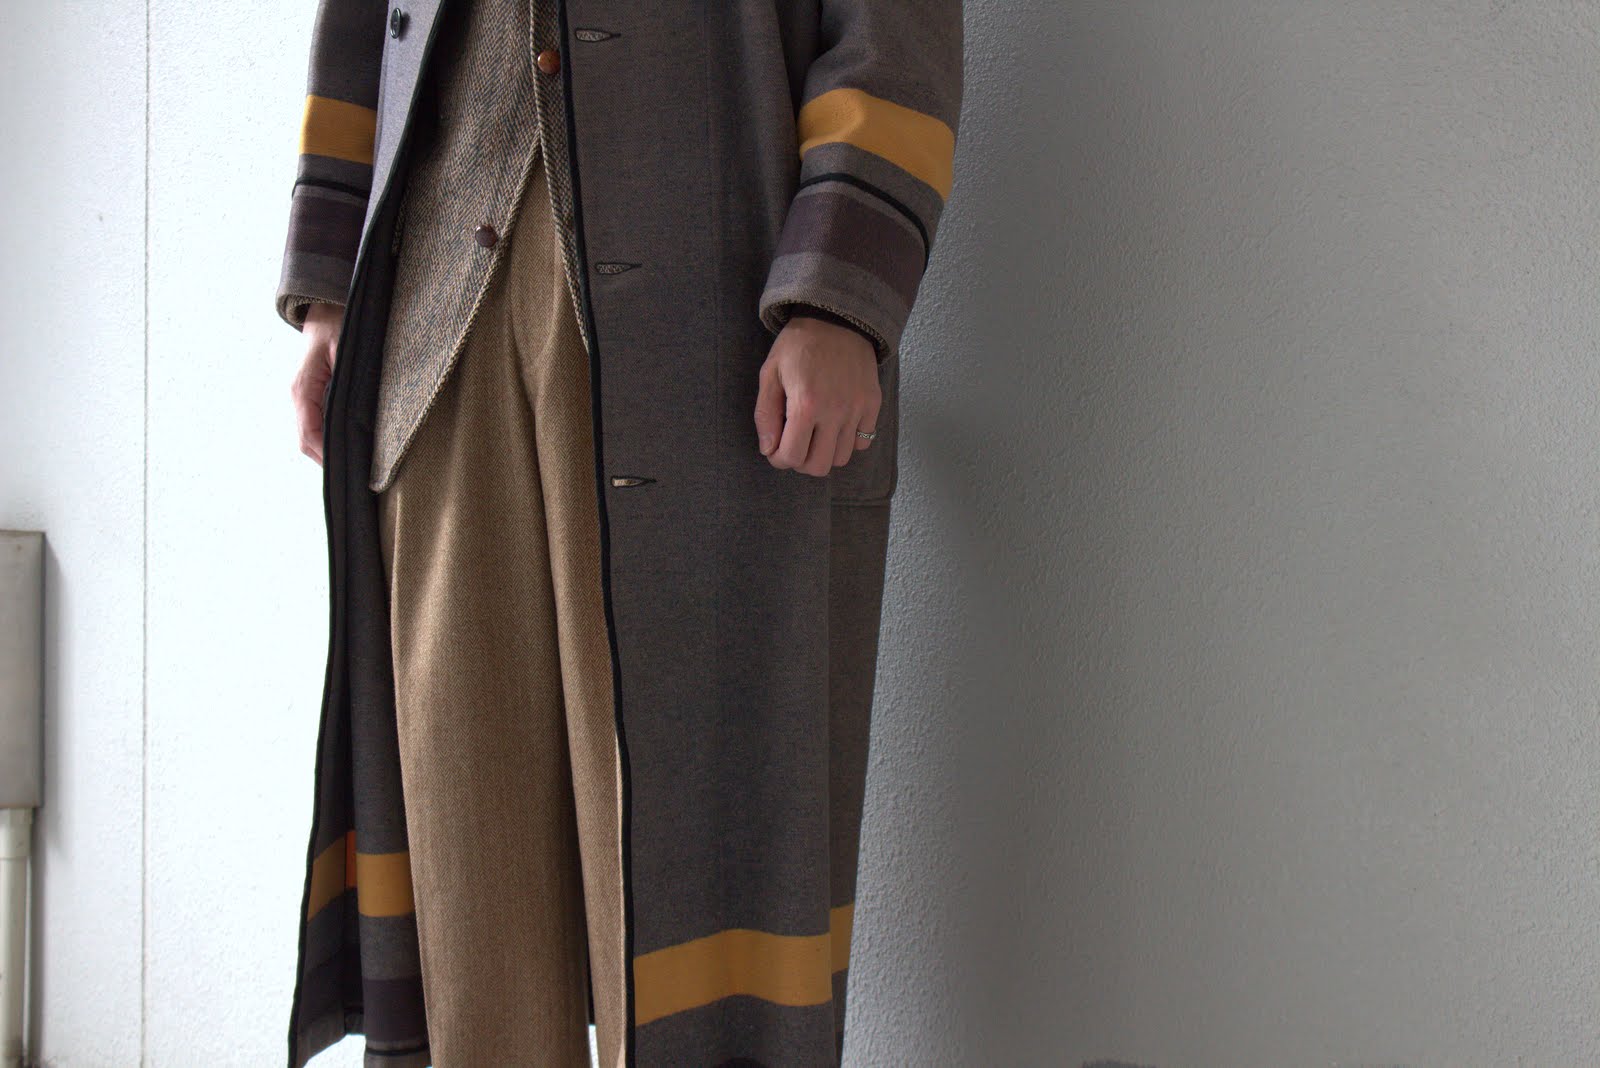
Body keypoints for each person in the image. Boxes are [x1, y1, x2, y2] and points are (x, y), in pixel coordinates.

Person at [274, 2, 962, 1065]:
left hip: (717, 330)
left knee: (701, 860)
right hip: (433, 310)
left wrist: (838, 297)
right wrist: (332, 292)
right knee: (468, 854)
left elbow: (892, 28)